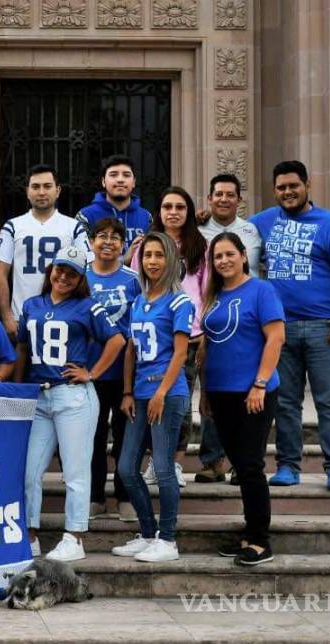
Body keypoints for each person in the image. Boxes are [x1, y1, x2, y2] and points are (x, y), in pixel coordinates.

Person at [252, 160, 330, 491]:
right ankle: (287, 466)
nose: (287, 192)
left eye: (293, 186)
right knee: (285, 402)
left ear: (307, 185)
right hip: (280, 330)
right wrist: (203, 218)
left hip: (323, 328)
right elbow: (232, 231)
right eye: (281, 187)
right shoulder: (264, 222)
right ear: (275, 191)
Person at [15, 246, 125, 561]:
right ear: (51, 270)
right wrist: (21, 388)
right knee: (29, 471)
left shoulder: (87, 307)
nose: (63, 277)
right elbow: (23, 348)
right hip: (38, 395)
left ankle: (75, 537)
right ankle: (29, 535)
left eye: (72, 273)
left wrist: (93, 373)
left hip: (72, 394)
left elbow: (117, 340)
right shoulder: (32, 304)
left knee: (75, 471)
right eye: (60, 269)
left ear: (80, 278)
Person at [198, 232, 285, 566]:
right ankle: (248, 534)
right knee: (240, 464)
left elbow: (276, 338)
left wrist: (260, 384)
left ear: (243, 256)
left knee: (250, 465)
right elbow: (206, 347)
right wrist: (205, 393)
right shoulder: (215, 295)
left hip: (254, 393)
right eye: (217, 256)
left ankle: (261, 541)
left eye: (229, 254)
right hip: (220, 393)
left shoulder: (262, 290)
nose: (223, 261)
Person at [111, 232, 194, 563]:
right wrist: (128, 391)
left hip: (167, 393)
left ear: (170, 260)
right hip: (140, 393)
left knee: (162, 467)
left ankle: (169, 539)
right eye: (147, 256)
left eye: (159, 255)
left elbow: (180, 353)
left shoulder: (180, 301)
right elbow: (131, 350)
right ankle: (148, 533)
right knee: (126, 467)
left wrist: (161, 392)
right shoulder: (138, 302)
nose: (153, 261)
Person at [132, 187, 208, 488]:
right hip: (151, 335)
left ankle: (174, 462)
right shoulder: (144, 247)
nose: (173, 212)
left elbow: (206, 291)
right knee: (149, 399)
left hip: (187, 336)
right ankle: (155, 459)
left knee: (180, 401)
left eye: (179, 206)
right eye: (167, 206)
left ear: (188, 212)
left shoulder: (200, 246)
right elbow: (139, 286)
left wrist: (202, 331)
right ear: (159, 212)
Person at [193, 173, 262, 483]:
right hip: (211, 311)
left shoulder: (252, 231)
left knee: (244, 389)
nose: (223, 199)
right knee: (213, 387)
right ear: (209, 199)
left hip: (248, 314)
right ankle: (212, 460)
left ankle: (242, 461)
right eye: (218, 194)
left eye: (229, 194)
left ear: (239, 199)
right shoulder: (197, 229)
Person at [0, 163, 91, 341]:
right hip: (21, 316)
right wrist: (6, 316)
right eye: (35, 187)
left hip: (65, 316)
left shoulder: (73, 226)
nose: (41, 192)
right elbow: (0, 273)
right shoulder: (13, 226)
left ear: (58, 190)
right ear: (27, 191)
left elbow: (87, 269)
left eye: (47, 186)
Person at [85, 217, 142, 522]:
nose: (108, 242)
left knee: (124, 436)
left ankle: (124, 493)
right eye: (101, 236)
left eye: (114, 237)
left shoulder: (133, 279)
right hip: (89, 371)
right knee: (91, 437)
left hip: (124, 372)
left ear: (123, 244)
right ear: (91, 242)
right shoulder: (80, 277)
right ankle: (94, 495)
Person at [75, 154, 153, 261]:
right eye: (113, 175)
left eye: (126, 175)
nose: (120, 180)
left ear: (134, 182)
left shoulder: (146, 217)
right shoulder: (86, 216)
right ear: (103, 181)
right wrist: (124, 260)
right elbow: (81, 258)